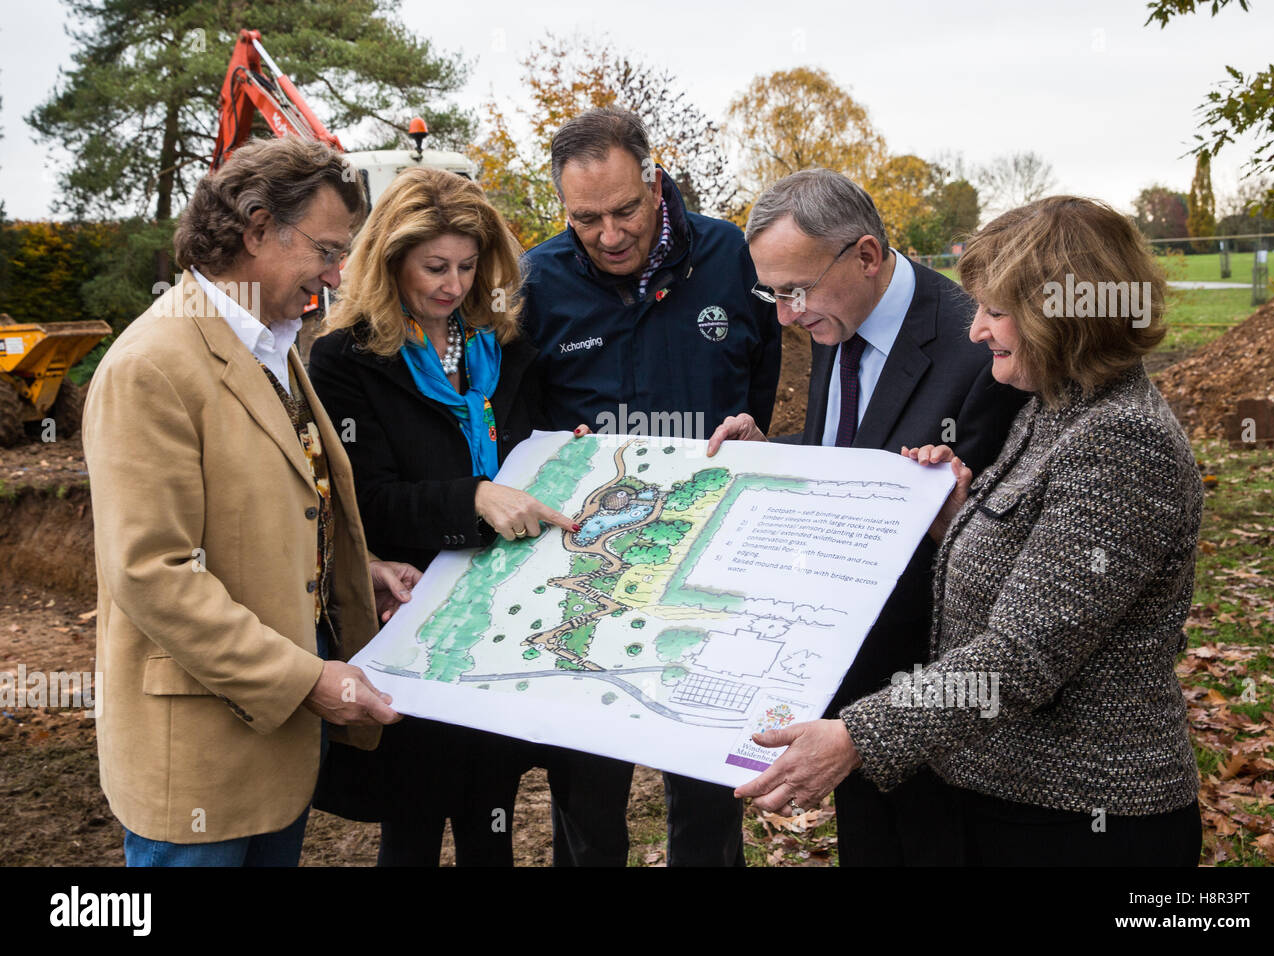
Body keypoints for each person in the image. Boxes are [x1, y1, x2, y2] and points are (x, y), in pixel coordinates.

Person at [734, 195, 1203, 866]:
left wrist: (859, 736)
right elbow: (1033, 575)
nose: (977, 330)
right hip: (1011, 798)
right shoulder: (1057, 409)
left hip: (1082, 814)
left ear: (1065, 313)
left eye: (996, 311)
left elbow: (1022, 656)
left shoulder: (1119, 440)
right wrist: (954, 516)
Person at [81, 137, 420, 867]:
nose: (336, 275)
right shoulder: (151, 366)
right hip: (200, 757)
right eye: (328, 250)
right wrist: (307, 678)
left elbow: (278, 510)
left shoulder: (273, 343)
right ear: (258, 228)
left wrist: (355, 573)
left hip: (273, 751)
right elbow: (153, 573)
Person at [707, 168, 1027, 865]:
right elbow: (861, 452)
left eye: (796, 291)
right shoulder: (839, 315)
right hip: (845, 685)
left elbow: (991, 537)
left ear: (867, 256)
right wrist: (780, 455)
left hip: (936, 702)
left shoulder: (978, 345)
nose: (786, 315)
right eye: (772, 294)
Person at [522, 106, 782, 867]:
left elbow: (760, 373)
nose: (609, 234)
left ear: (655, 180)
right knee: (586, 784)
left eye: (625, 209)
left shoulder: (729, 254)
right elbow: (522, 417)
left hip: (708, 547)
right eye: (586, 218)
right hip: (589, 562)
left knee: (706, 781)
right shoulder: (540, 281)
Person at [307, 167, 575, 866]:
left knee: (493, 811)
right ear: (389, 259)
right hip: (413, 616)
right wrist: (472, 498)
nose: (452, 285)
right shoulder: (344, 360)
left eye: (466, 265)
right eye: (433, 267)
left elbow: (536, 449)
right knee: (414, 818)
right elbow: (363, 500)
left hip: (509, 615)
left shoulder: (507, 346)